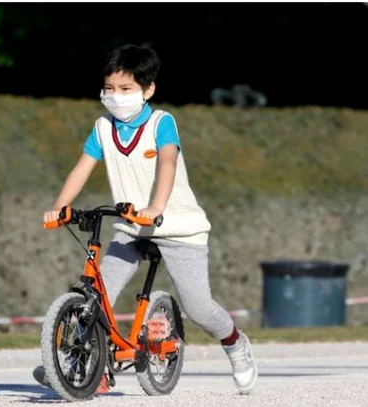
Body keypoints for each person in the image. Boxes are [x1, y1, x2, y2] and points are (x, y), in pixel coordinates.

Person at [33, 42, 258, 395]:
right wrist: (60, 205)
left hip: (178, 227)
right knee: (98, 292)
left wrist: (155, 208)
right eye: (109, 89)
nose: (115, 96)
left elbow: (167, 163)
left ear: (147, 89)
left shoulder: (161, 123)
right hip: (130, 227)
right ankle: (80, 364)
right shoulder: (103, 127)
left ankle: (234, 343)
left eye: (126, 89)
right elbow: (82, 167)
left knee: (198, 307)